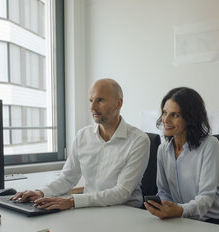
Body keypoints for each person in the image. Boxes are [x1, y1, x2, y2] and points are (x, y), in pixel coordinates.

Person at [11, 78, 150, 211]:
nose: (93, 107)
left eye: (100, 100)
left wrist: (72, 201)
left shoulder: (138, 140)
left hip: (124, 213)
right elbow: (67, 178)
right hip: (90, 209)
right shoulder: (83, 136)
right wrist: (40, 192)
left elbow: (122, 192)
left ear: (118, 104)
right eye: (91, 101)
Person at [144, 87, 219, 230]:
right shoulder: (163, 150)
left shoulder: (210, 145)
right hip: (187, 220)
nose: (165, 120)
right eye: (165, 113)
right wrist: (163, 208)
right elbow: (164, 192)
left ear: (190, 119)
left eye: (175, 115)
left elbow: (206, 198)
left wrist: (179, 210)